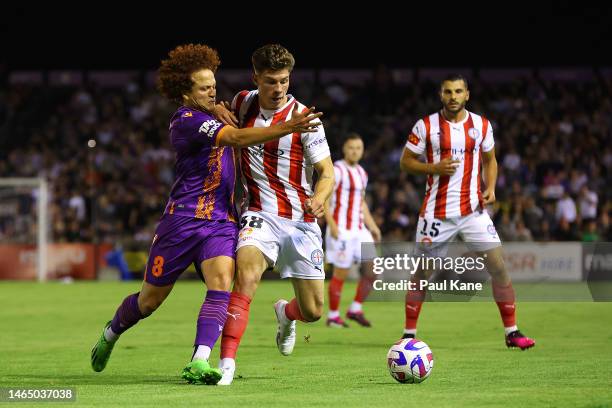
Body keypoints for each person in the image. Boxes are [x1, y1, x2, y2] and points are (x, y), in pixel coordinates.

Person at [89, 43, 322, 385]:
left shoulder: (219, 111)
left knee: (221, 284)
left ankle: (200, 360)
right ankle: (112, 332)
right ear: (186, 92)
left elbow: (238, 115)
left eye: (214, 84)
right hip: (182, 221)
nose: (213, 91)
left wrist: (225, 107)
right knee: (149, 301)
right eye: (204, 87)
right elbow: (239, 138)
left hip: (221, 221)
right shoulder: (186, 120)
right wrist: (289, 127)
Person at [217, 44, 334, 385]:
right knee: (247, 276)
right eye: (270, 81)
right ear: (256, 78)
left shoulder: (305, 119)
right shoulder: (242, 102)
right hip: (258, 214)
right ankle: (226, 364)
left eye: (284, 80)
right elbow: (222, 115)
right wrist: (219, 110)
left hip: (300, 220)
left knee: (313, 311)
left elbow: (326, 171)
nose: (279, 88)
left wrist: (319, 196)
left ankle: (286, 313)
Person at [399, 74, 535, 350]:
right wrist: (432, 168)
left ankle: (512, 331)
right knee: (423, 273)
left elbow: (490, 160)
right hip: (435, 214)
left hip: (474, 211)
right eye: (448, 92)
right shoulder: (426, 126)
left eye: (458, 91)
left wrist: (492, 187)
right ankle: (408, 334)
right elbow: (406, 162)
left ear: (467, 94)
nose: (453, 96)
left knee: (498, 266)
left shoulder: (481, 125)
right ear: (441, 95)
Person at [324, 133, 381, 328]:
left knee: (373, 270)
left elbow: (361, 203)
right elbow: (324, 198)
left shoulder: (362, 173)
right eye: (351, 147)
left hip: (359, 229)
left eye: (358, 148)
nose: (355, 151)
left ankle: (355, 308)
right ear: (344, 149)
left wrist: (372, 226)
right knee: (341, 273)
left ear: (363, 150)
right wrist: (331, 224)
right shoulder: (337, 170)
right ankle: (332, 316)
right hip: (341, 229)